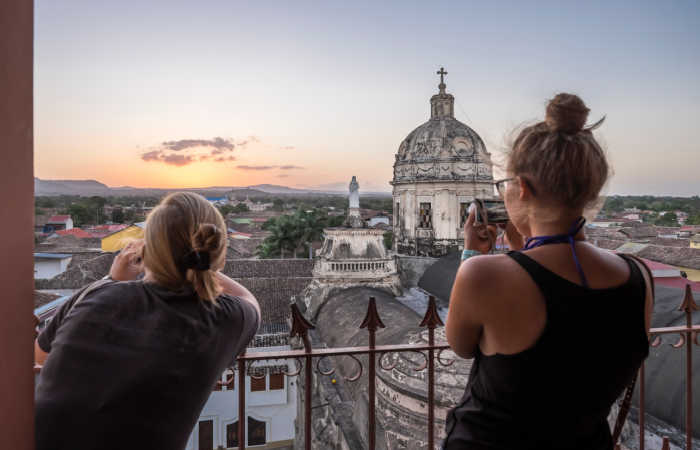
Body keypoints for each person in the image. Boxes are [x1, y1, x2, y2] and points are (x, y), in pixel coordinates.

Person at [443, 94, 653, 450]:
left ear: (521, 188)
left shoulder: (482, 275)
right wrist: (520, 251)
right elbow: (572, 338)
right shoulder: (639, 276)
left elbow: (461, 345)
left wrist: (472, 255)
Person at [34, 192, 260, 450]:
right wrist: (202, 266)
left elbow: (41, 359)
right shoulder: (224, 319)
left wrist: (113, 280)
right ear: (216, 251)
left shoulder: (95, 297)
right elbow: (248, 300)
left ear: (149, 248)